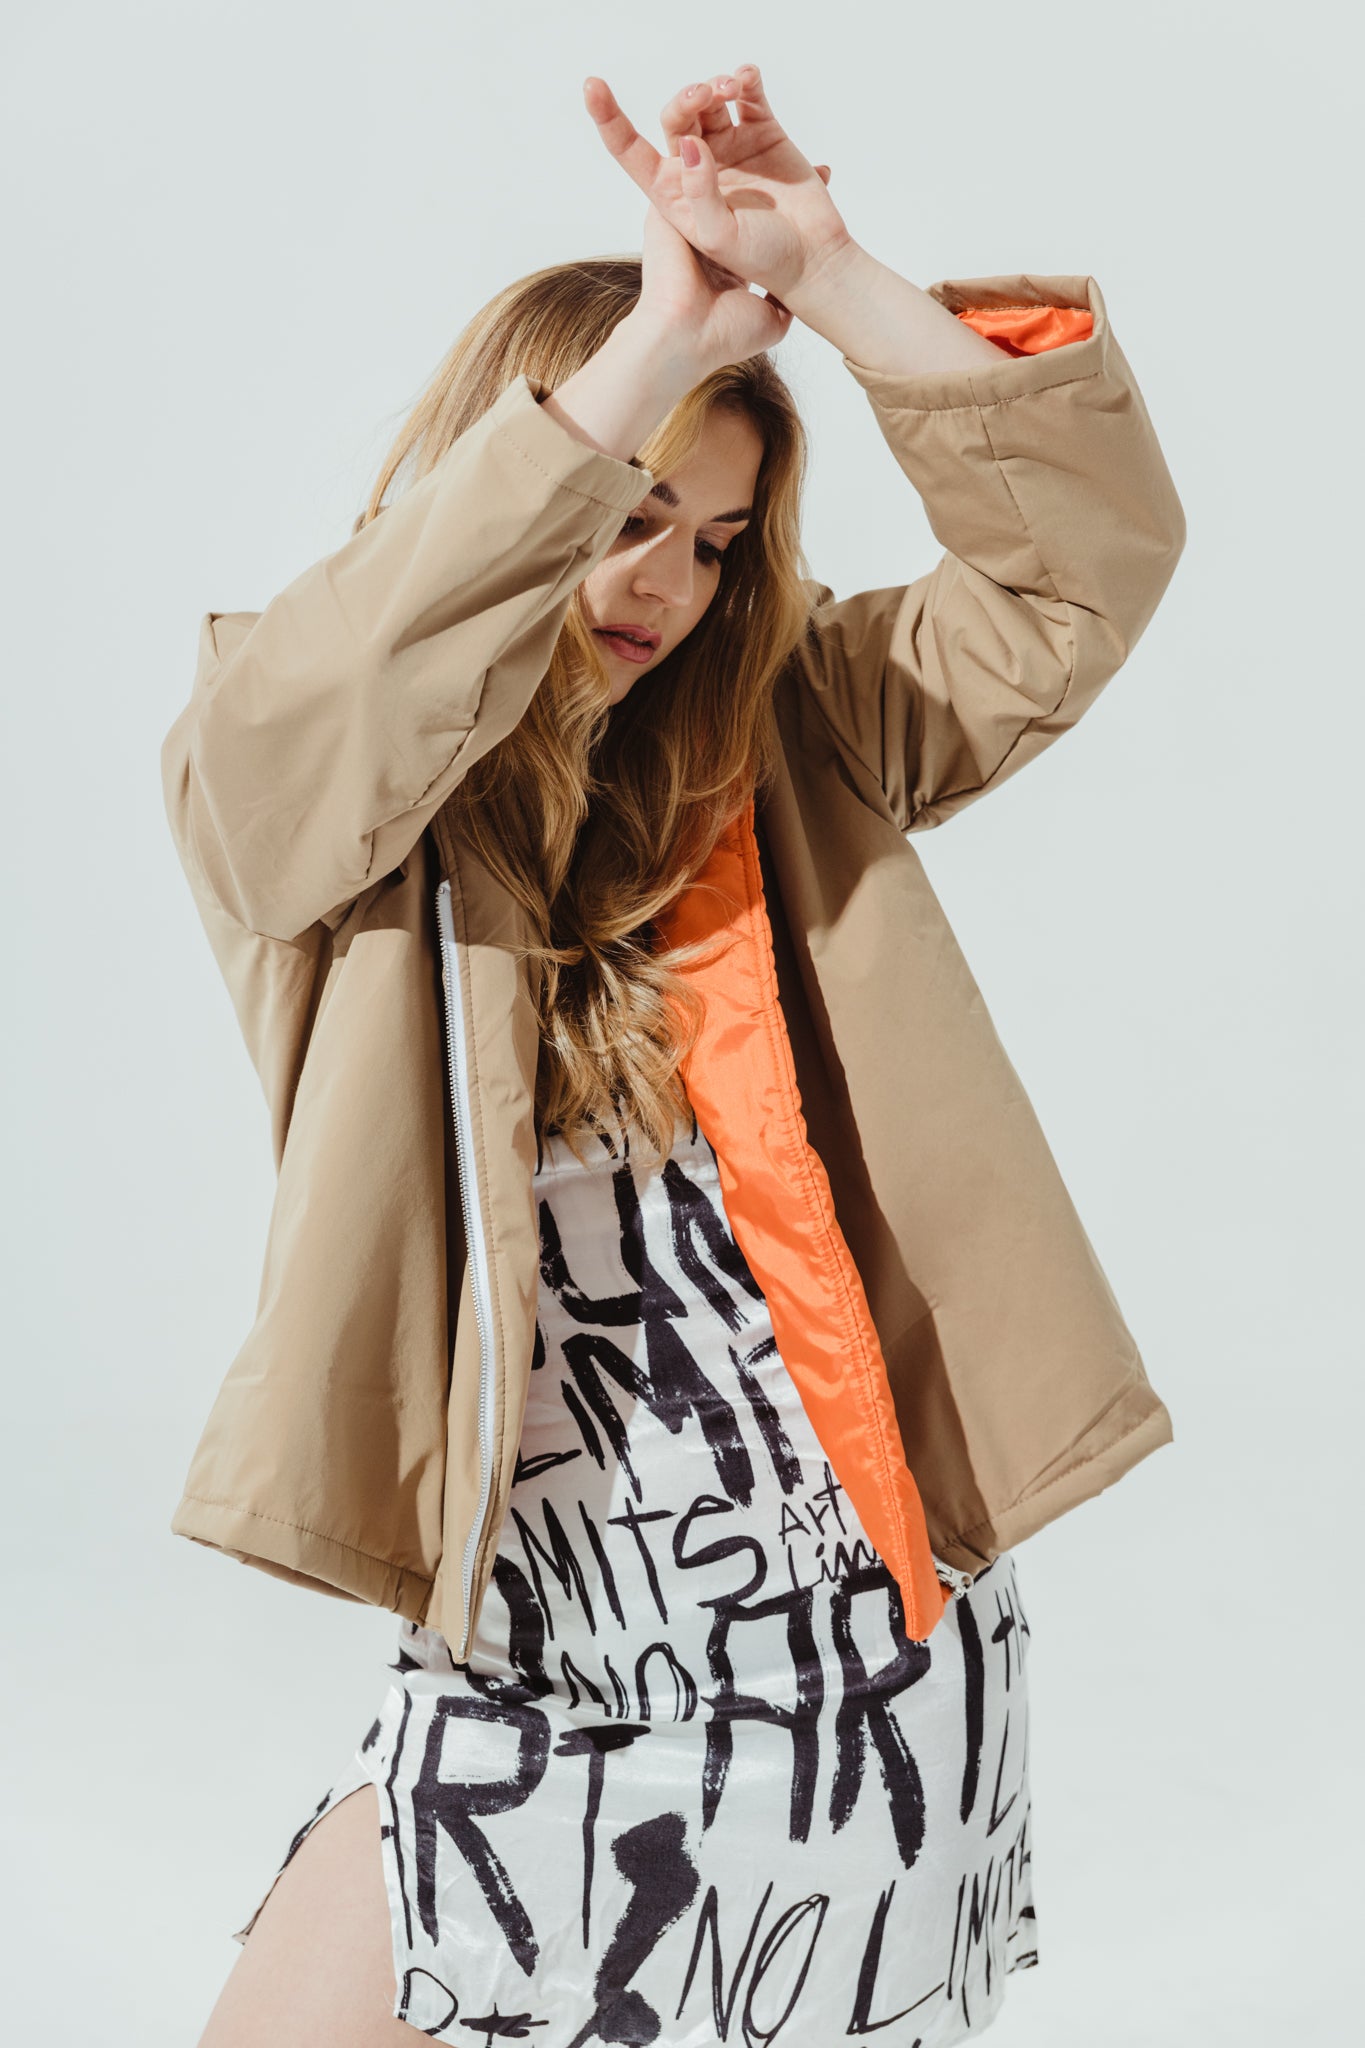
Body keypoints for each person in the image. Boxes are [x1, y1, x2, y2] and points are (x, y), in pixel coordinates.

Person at [168, 62, 1185, 2048]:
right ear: (508, 476)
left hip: (853, 1641)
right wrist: (655, 337)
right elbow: (326, 704)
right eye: (627, 515)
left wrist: (829, 272)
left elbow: (1080, 571)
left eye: (713, 539)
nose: (666, 584)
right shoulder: (318, 789)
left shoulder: (792, 736)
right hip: (541, 1650)